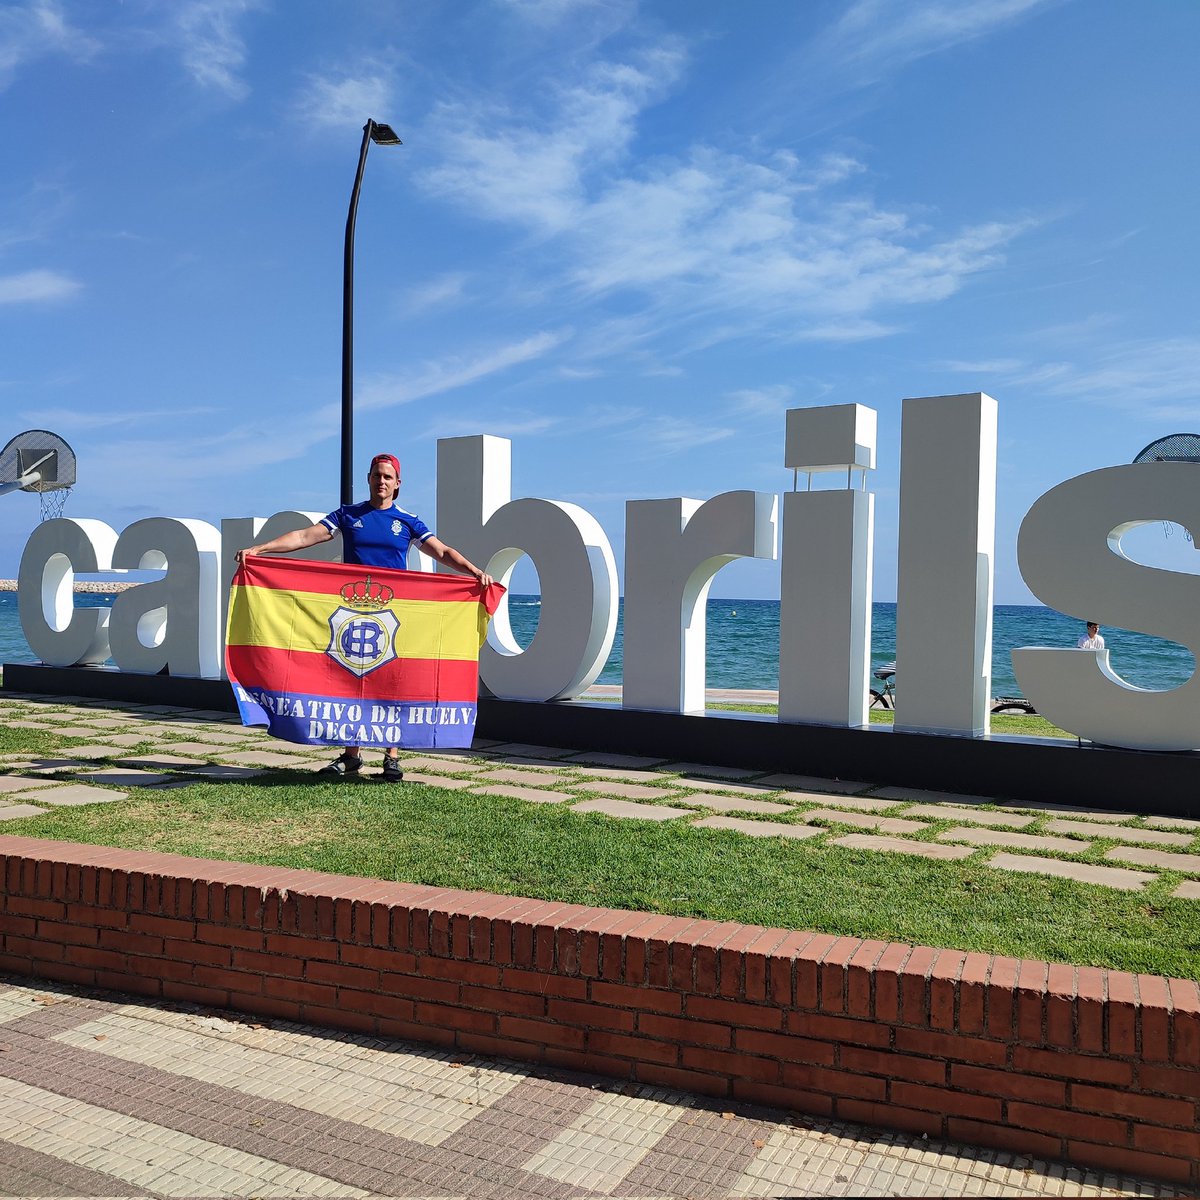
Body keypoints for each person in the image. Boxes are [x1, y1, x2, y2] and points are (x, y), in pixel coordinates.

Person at [234, 453, 493, 781]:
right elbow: (305, 536)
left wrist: (474, 573)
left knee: (391, 682)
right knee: (351, 679)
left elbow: (441, 552)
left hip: (394, 615)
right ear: (368, 479)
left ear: (397, 484)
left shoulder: (407, 520)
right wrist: (261, 550)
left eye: (387, 477)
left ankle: (391, 756)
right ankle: (351, 756)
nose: (381, 481)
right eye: (376, 475)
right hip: (351, 612)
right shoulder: (348, 515)